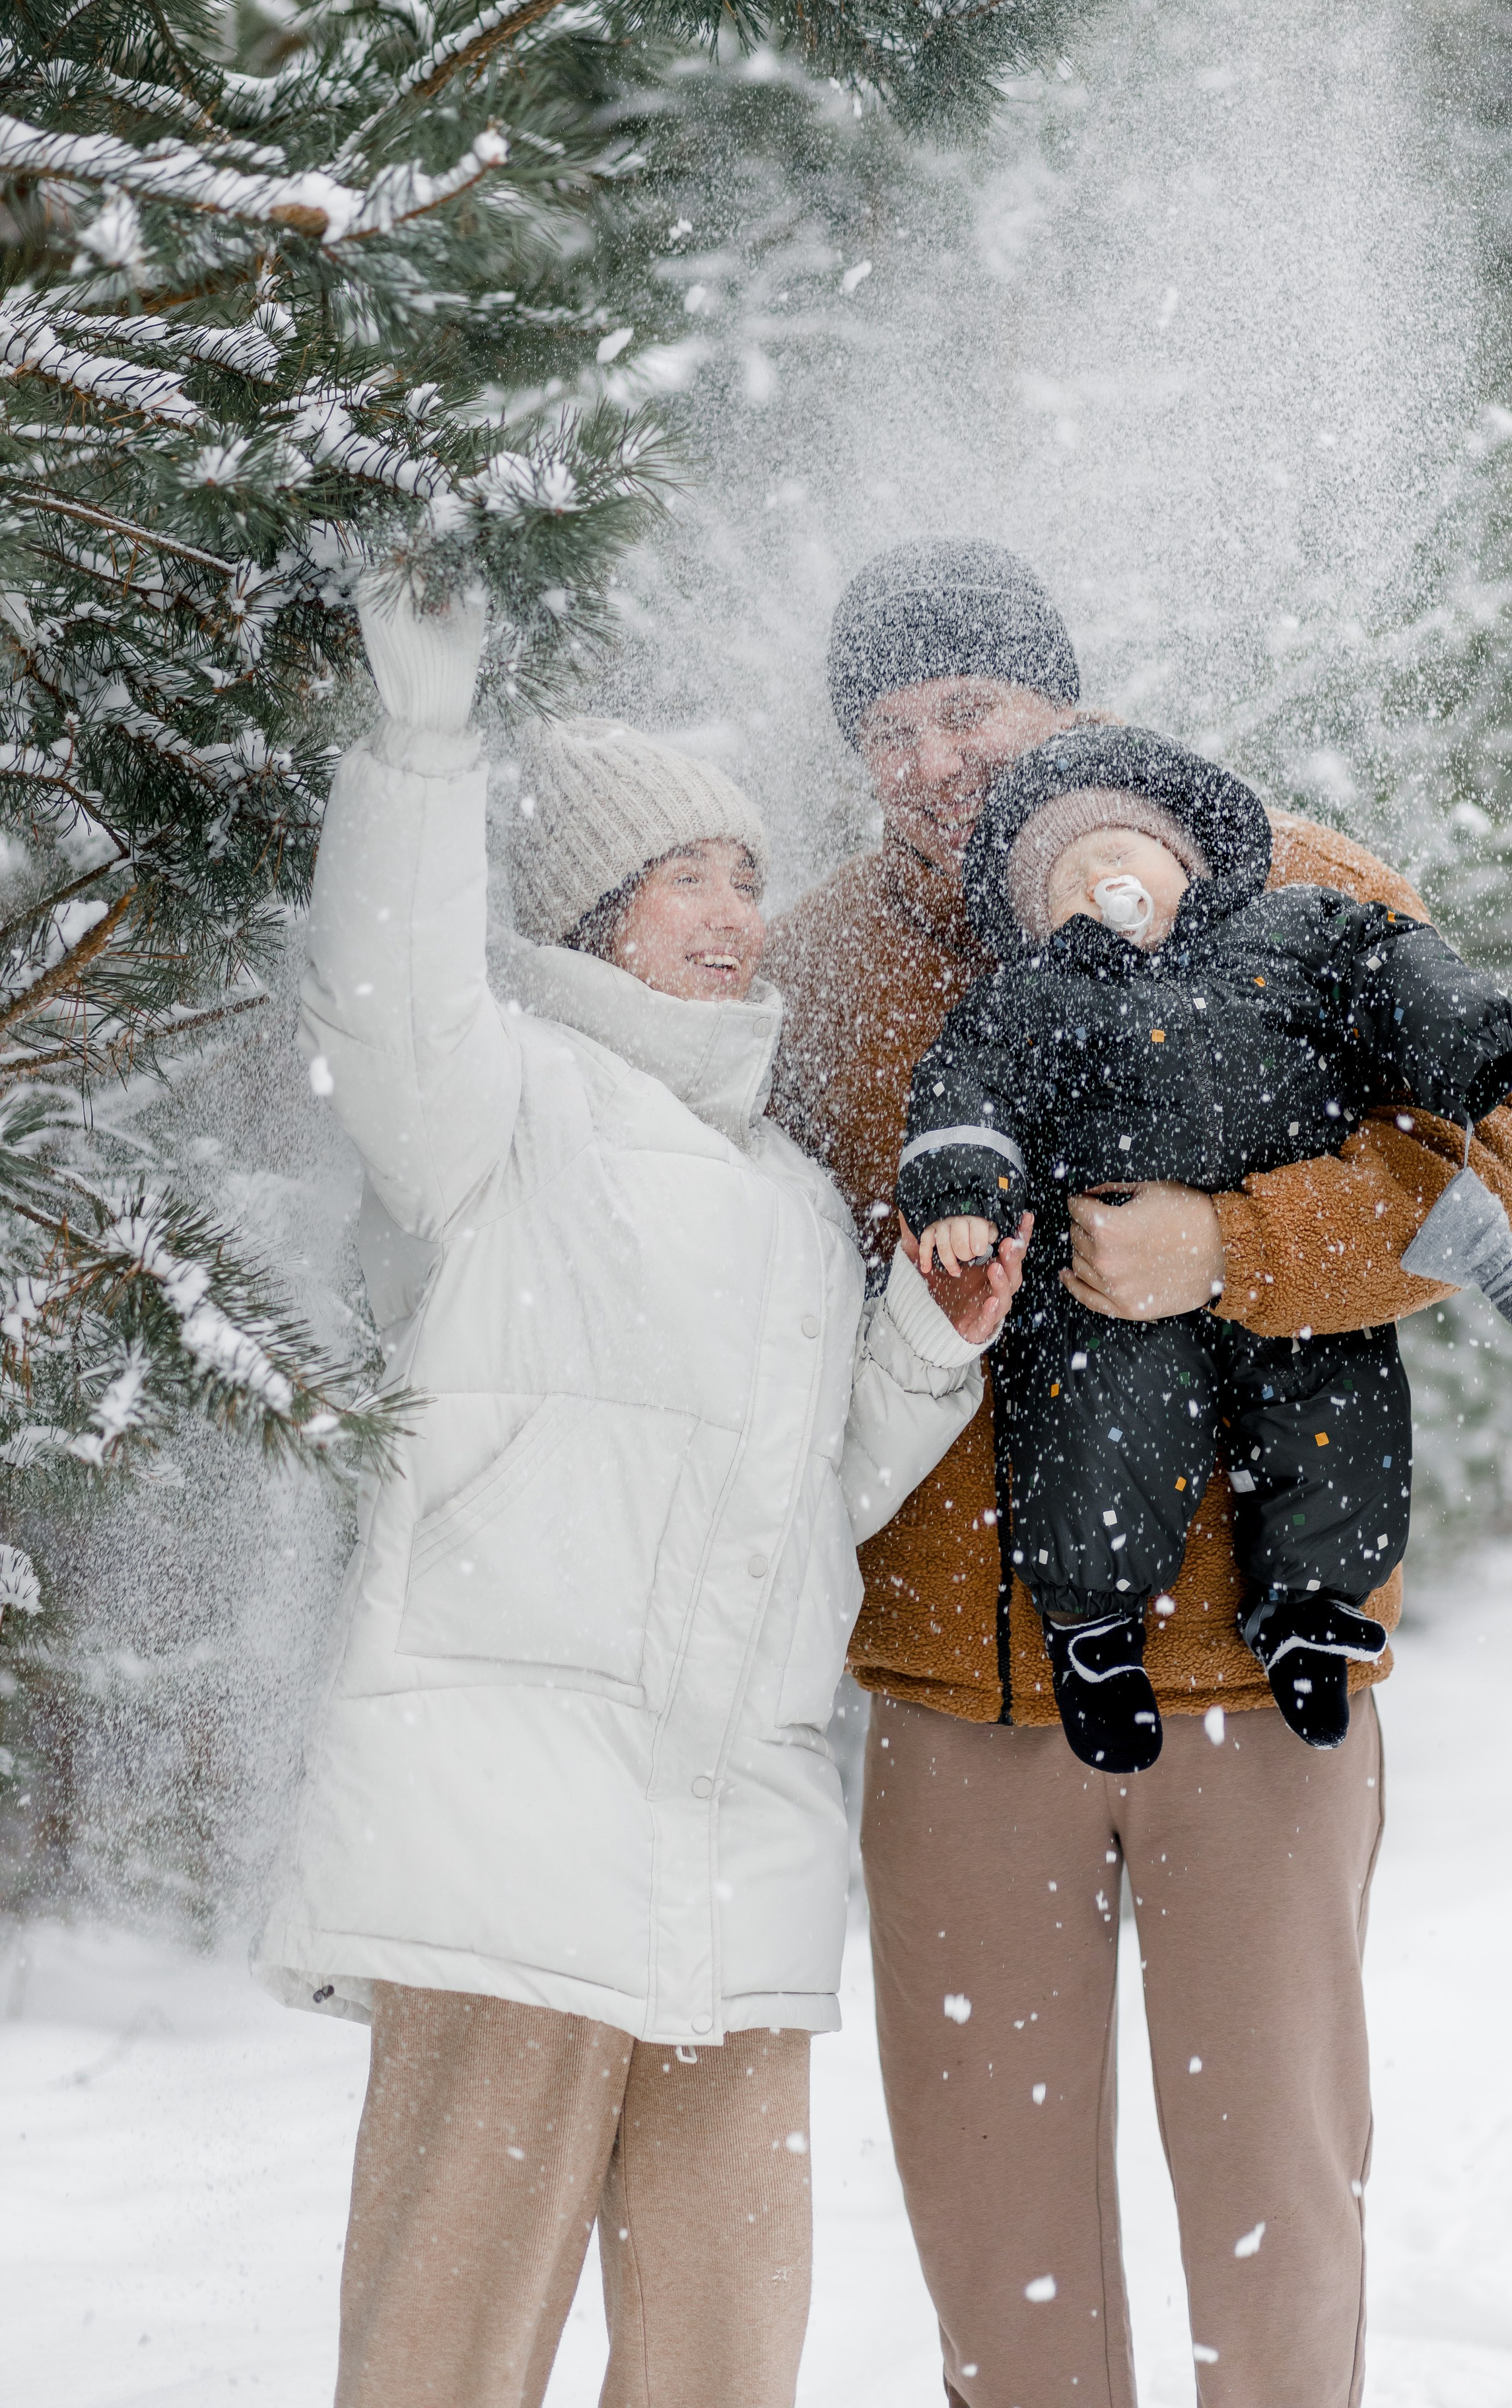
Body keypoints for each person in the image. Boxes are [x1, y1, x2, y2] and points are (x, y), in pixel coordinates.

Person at [764, 537, 1512, 2408]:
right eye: (888, 730)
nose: (931, 761)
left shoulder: (1276, 871)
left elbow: (1502, 1153)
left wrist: (1237, 1246)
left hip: (1249, 1675)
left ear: (1063, 696)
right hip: (955, 1691)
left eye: (969, 708)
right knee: (996, 2239)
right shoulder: (819, 965)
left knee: (1272, 2196)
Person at [253, 574, 1026, 2408]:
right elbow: (389, 992)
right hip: (508, 1829)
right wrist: (421, 746)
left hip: (735, 1836)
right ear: (590, 911)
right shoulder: (498, 1106)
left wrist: (927, 1346)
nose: (736, 915)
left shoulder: (780, 1189)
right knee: (446, 2345)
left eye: (748, 877)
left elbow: (813, 1501)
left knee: (723, 2350)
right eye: (688, 877)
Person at [896, 721, 1512, 1763]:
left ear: (1186, 855)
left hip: (1291, 1259)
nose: (1101, 879)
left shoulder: (1293, 924)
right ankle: (1095, 1633)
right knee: (1099, 1426)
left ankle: (1313, 1612)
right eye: (1066, 879)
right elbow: (962, 1085)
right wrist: (961, 1187)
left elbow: (1392, 964)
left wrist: (1457, 1036)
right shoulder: (1032, 996)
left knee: (1335, 1411)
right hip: (1104, 1282)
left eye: (1120, 850)